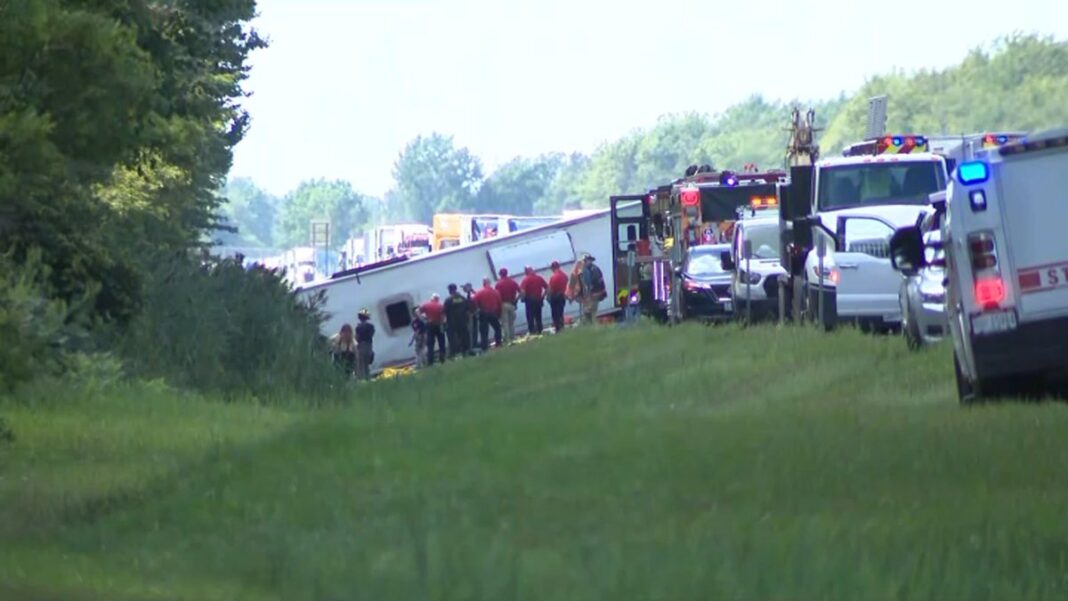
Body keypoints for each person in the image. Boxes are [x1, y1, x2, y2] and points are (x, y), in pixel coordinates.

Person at [473, 278, 503, 350]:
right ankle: (498, 343)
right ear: (490, 283)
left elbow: (474, 302)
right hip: (493, 313)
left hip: (483, 314)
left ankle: (484, 347)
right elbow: (499, 304)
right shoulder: (496, 292)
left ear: (483, 283)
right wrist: (499, 314)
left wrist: (477, 312)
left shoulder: (479, 293)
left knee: (484, 332)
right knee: (498, 328)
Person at [444, 283, 472, 358]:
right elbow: (467, 307)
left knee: (455, 338)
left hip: (453, 322)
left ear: (450, 290)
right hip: (463, 320)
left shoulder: (448, 300)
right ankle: (466, 351)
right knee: (464, 336)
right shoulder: (462, 298)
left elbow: (445, 311)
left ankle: (456, 353)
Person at [578, 253, 607, 325]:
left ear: (590, 260)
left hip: (594, 295)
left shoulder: (595, 270)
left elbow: (595, 284)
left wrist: (590, 294)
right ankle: (590, 327)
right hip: (590, 295)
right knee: (587, 313)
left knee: (591, 313)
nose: (584, 263)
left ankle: (593, 327)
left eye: (585, 261)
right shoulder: (586, 270)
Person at [519, 265, 548, 335]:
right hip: (539, 299)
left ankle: (532, 332)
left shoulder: (526, 279)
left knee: (530, 317)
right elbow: (547, 288)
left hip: (530, 300)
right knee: (538, 316)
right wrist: (543, 296)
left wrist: (522, 299)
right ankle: (540, 330)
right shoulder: (539, 278)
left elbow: (522, 291)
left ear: (526, 271)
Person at [495, 267, 520, 344]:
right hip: (512, 303)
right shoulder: (512, 282)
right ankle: (513, 337)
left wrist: (498, 307)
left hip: (503, 304)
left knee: (504, 323)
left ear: (500, 275)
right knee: (511, 322)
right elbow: (521, 292)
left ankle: (507, 339)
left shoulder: (498, 284)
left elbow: (497, 296)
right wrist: (516, 300)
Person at [420, 293, 447, 365]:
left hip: (430, 325)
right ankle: (442, 359)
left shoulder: (426, 305)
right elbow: (444, 316)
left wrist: (424, 319)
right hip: (439, 325)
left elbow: (417, 311)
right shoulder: (440, 305)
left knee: (430, 344)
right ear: (437, 299)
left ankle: (430, 361)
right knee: (441, 343)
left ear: (431, 298)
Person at [547, 260, 569, 333]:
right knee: (560, 312)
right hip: (562, 296)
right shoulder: (564, 275)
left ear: (553, 268)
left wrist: (549, 298)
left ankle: (558, 329)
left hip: (555, 297)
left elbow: (550, 289)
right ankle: (562, 326)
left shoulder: (553, 277)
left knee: (555, 314)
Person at [354, 309, 375, 381]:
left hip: (361, 346)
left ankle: (363, 379)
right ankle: (368, 378)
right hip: (369, 345)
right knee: (367, 364)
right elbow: (371, 335)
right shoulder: (371, 326)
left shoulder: (358, 327)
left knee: (361, 364)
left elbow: (357, 338)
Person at [462, 282, 480, 352]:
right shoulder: (472, 294)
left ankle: (472, 345)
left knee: (472, 330)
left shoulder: (471, 295)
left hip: (471, 315)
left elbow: (471, 304)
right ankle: (473, 344)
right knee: (473, 330)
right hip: (472, 314)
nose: (464, 289)